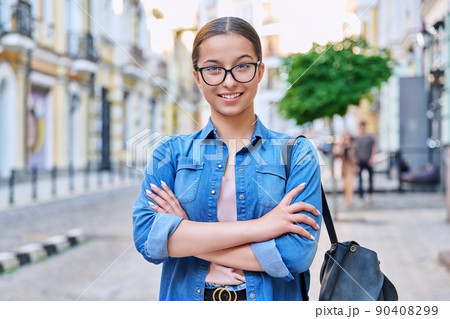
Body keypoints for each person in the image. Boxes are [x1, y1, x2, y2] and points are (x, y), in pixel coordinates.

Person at [132, 16, 322, 301]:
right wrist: (261, 227)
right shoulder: (169, 153)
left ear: (260, 71)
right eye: (213, 69)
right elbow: (148, 238)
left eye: (242, 66)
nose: (229, 81)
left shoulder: (296, 153)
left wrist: (186, 234)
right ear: (197, 76)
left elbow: (295, 255)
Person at [354, 121, 376, 200]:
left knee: (370, 178)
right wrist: (356, 163)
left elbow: (374, 148)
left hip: (368, 160)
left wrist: (372, 158)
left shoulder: (369, 138)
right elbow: (354, 151)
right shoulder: (356, 138)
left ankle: (370, 193)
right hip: (360, 161)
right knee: (360, 179)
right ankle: (361, 195)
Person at [338, 131, 357, 209]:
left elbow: (354, 156)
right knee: (344, 185)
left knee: (350, 185)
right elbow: (338, 153)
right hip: (344, 167)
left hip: (351, 167)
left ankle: (348, 201)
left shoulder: (353, 145)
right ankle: (345, 199)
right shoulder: (342, 146)